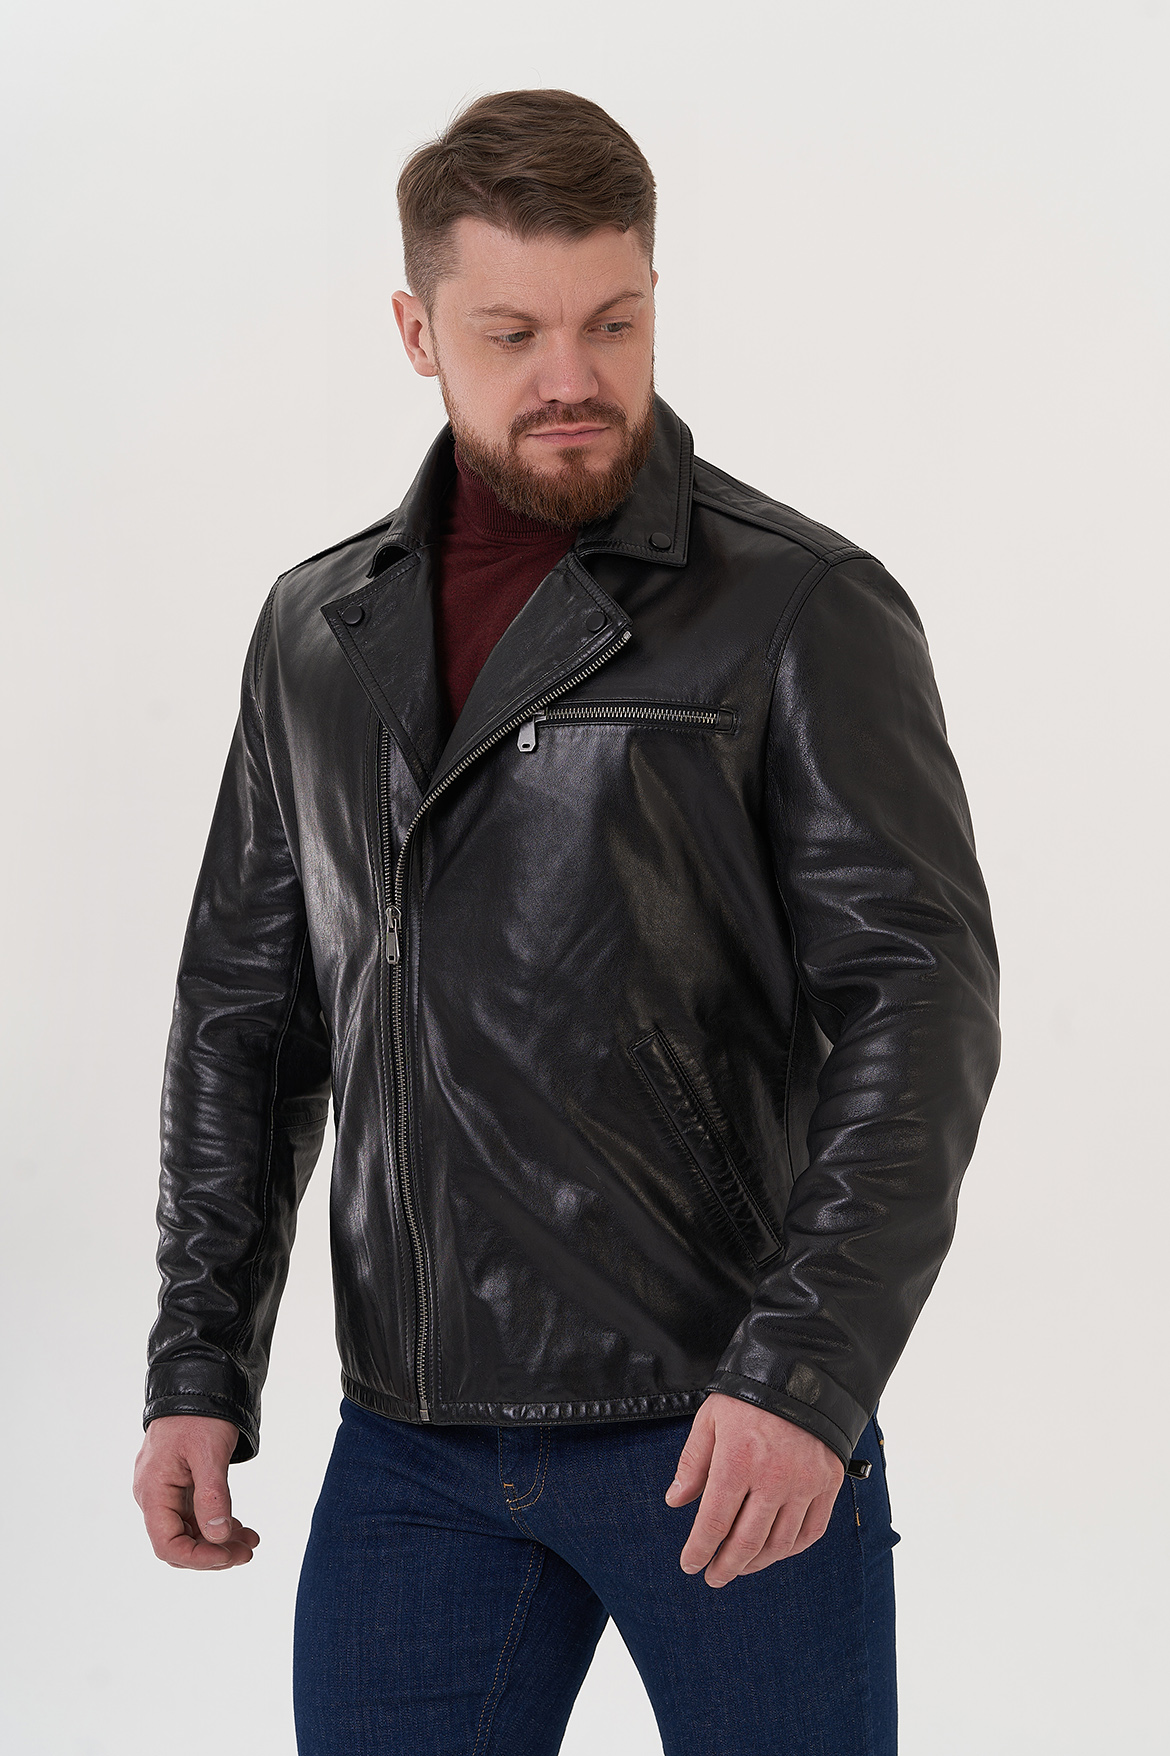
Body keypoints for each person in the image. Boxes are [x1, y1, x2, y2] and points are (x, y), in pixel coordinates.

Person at [133, 88, 1000, 1755]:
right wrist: (197, 1368)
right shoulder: (314, 630)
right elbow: (246, 1018)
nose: (571, 378)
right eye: (511, 332)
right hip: (412, 1445)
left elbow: (920, 1003)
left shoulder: (799, 605)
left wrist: (805, 1375)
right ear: (416, 333)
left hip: (722, 1425)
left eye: (612, 322)